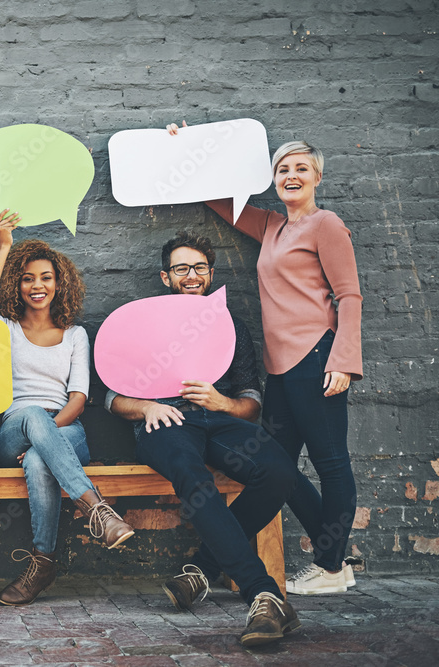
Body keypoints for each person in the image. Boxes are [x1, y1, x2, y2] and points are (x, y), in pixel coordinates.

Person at [168, 122, 362, 595]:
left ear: (317, 178)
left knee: (331, 462)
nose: (290, 175)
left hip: (316, 358)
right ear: (272, 180)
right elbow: (218, 201)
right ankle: (333, 557)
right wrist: (187, 143)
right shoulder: (272, 225)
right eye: (282, 169)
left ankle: (331, 568)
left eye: (300, 168)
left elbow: (349, 295)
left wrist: (343, 360)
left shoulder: (326, 224)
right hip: (280, 370)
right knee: (280, 470)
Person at [108, 231, 301, 648]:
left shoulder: (232, 326)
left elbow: (251, 403)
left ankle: (201, 570)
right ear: (165, 276)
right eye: (181, 268)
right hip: (166, 423)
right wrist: (146, 407)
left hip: (220, 420)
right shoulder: (144, 322)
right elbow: (111, 398)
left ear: (211, 274)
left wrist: (223, 402)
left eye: (199, 267)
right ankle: (264, 595)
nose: (191, 275)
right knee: (194, 478)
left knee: (280, 472)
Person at [0, 210, 134, 606]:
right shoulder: (7, 328)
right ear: (18, 283)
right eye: (28, 278)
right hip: (14, 430)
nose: (37, 285)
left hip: (64, 432)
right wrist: (4, 246)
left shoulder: (76, 335)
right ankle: (96, 509)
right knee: (30, 415)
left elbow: (78, 399)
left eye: (46, 277)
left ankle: (42, 562)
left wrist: (45, 439)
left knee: (39, 460)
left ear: (59, 283)